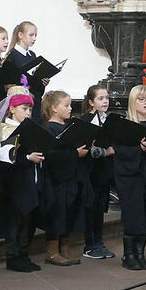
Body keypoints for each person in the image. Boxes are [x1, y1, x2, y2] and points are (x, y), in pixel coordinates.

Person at [0, 86, 45, 273]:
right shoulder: (6, 129)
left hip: (29, 180)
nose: (28, 112)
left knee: (27, 220)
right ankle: (13, 257)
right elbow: (5, 157)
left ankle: (24, 253)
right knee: (14, 221)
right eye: (24, 109)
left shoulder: (30, 128)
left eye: (30, 109)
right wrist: (27, 158)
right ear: (12, 109)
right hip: (13, 183)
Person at [41, 90, 92, 266]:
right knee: (58, 215)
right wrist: (74, 153)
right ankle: (52, 252)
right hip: (56, 181)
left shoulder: (68, 126)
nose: (71, 108)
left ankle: (65, 249)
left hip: (71, 178)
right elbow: (52, 155)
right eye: (66, 105)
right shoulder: (48, 129)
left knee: (69, 214)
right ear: (54, 108)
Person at [115, 85, 146, 270]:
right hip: (130, 177)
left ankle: (140, 254)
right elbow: (119, 152)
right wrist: (140, 150)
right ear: (133, 102)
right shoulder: (125, 125)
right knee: (133, 214)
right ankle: (129, 255)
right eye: (141, 99)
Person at [81, 85, 115, 260]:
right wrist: (105, 151)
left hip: (104, 171)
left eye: (107, 98)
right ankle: (89, 244)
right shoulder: (86, 121)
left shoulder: (108, 120)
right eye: (101, 98)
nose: (105, 101)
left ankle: (99, 242)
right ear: (91, 102)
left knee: (100, 208)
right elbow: (86, 147)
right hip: (90, 171)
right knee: (91, 207)